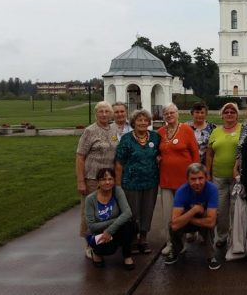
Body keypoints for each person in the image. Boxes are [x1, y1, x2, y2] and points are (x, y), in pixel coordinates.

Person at [76, 101, 118, 259]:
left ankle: (103, 240)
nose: (104, 114)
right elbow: (80, 156)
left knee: (106, 212)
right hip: (92, 178)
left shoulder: (113, 129)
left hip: (108, 180)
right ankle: (89, 244)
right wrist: (80, 181)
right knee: (90, 213)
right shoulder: (90, 131)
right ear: (96, 113)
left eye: (107, 111)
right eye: (101, 111)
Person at [115, 109, 160, 255]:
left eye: (145, 120)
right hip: (131, 182)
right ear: (133, 122)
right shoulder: (126, 139)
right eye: (139, 120)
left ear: (149, 122)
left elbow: (161, 154)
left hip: (150, 181)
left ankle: (144, 238)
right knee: (133, 212)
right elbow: (119, 163)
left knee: (147, 210)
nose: (142, 123)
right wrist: (117, 184)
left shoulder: (154, 137)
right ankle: (133, 239)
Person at [158, 103, 200, 254]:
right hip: (166, 180)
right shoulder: (160, 132)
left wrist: (195, 177)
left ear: (177, 114)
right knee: (168, 213)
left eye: (172, 113)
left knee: (185, 211)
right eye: (166, 113)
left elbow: (195, 153)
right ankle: (171, 242)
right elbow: (157, 152)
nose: (169, 115)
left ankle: (191, 232)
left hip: (184, 180)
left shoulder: (187, 130)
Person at [164, 163, 221, 270]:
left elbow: (211, 222)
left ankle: (211, 256)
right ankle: (175, 251)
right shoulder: (181, 191)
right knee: (171, 226)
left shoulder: (212, 189)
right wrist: (194, 210)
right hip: (187, 221)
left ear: (206, 177)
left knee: (212, 220)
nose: (197, 182)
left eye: (200, 178)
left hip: (198, 219)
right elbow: (175, 225)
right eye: (193, 179)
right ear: (187, 179)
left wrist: (188, 218)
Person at [84, 167, 135, 270]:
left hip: (113, 231)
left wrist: (110, 230)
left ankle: (127, 256)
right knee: (108, 250)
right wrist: (114, 222)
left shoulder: (117, 191)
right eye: (103, 179)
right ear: (98, 182)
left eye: (110, 179)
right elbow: (92, 226)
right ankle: (96, 253)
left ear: (114, 181)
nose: (107, 182)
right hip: (98, 233)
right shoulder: (90, 199)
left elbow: (128, 213)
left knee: (130, 225)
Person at [206, 102, 242, 247]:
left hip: (236, 176)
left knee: (235, 208)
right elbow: (209, 154)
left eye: (232, 112)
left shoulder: (243, 129)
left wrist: (237, 167)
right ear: (222, 115)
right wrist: (208, 173)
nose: (229, 114)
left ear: (237, 115)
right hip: (218, 176)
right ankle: (222, 236)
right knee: (220, 209)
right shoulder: (215, 132)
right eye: (226, 112)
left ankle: (235, 237)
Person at [186, 102, 216, 166]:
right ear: (192, 113)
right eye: (197, 112)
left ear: (206, 114)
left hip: (207, 165)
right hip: (188, 165)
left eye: (202, 112)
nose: (200, 115)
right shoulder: (185, 127)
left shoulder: (213, 128)